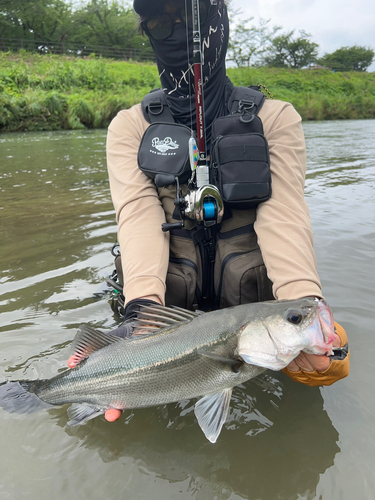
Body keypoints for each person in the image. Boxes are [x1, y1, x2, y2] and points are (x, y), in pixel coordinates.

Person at [69, 0, 349, 422]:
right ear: (148, 34)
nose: (178, 31)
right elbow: (138, 215)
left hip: (250, 315)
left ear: (218, 20)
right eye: (162, 23)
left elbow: (284, 212)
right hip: (164, 309)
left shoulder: (275, 119)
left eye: (188, 16)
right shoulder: (129, 127)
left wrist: (304, 300)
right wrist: (142, 314)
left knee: (322, 362)